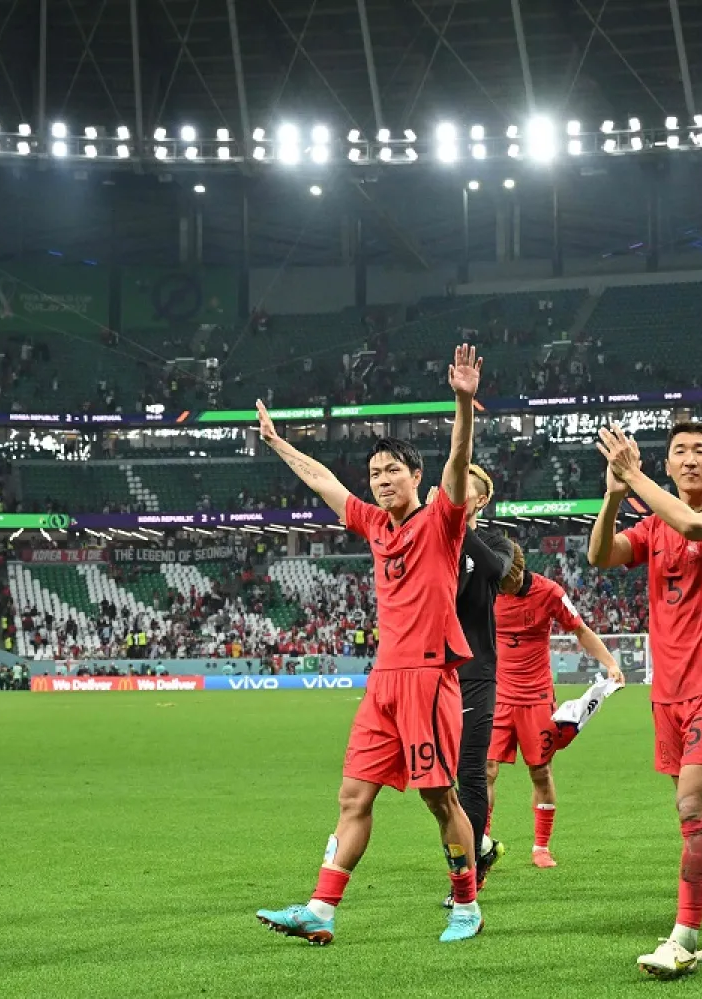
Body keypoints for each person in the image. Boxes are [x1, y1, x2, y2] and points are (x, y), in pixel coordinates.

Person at [253, 345, 485, 945]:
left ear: (416, 478)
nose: (382, 480)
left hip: (429, 677)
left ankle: (467, 903)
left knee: (439, 797)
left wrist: (462, 402)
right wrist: (279, 443)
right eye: (376, 472)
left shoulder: (442, 520)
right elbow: (324, 481)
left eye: (393, 471)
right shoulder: (373, 524)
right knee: (353, 795)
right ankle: (321, 910)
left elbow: (460, 459)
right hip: (383, 681)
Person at [589, 421, 702, 979]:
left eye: (700, 451)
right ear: (668, 465)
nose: (689, 460)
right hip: (668, 693)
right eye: (679, 452)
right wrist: (614, 496)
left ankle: (682, 938)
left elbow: (689, 521)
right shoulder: (650, 529)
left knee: (690, 808)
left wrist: (631, 474)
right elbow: (600, 555)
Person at [487, 541, 624, 868]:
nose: (511, 581)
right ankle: (481, 844)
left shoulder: (549, 592)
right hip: (498, 696)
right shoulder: (485, 591)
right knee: (485, 772)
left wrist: (610, 663)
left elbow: (580, 630)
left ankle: (540, 847)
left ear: (521, 565)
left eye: (515, 573)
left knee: (540, 771)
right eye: (504, 577)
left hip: (536, 698)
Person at [433, 466, 514, 894]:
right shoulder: (431, 538)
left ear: (481, 501)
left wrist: (456, 522)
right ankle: (477, 847)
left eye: (465, 491)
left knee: (471, 773)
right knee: (436, 781)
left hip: (475, 673)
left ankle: (465, 876)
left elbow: (493, 571)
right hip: (432, 672)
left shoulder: (497, 545)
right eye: (450, 490)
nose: (456, 495)